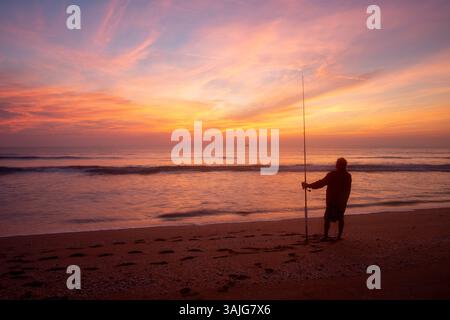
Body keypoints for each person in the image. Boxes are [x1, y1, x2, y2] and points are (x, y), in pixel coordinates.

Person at [302, 157, 352, 240]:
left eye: (337, 164)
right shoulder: (348, 176)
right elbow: (348, 189)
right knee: (340, 217)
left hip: (332, 200)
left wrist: (308, 185)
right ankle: (339, 237)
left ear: (337, 165)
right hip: (342, 201)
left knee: (327, 218)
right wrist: (345, 199)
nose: (336, 165)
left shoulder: (332, 175)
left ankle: (326, 236)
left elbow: (321, 183)